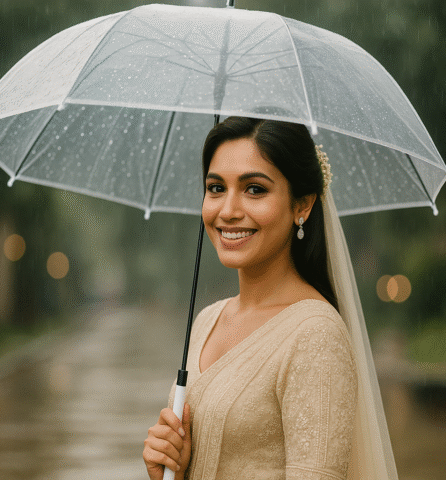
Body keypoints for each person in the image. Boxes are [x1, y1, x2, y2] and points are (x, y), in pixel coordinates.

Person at [143, 117, 398, 480]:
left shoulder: (315, 336)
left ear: (302, 205)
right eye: (216, 188)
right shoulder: (206, 321)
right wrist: (174, 472)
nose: (228, 210)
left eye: (255, 189)